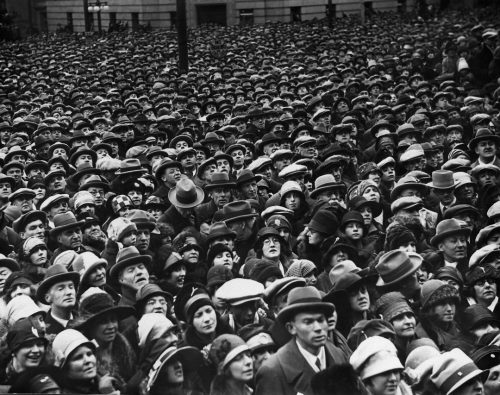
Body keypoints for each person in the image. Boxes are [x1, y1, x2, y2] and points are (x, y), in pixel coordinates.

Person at [255, 286, 349, 395]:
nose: (318, 328)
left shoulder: (338, 355)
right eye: (308, 322)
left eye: (321, 320)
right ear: (291, 328)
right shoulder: (273, 370)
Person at [36, 263, 79, 335]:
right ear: (48, 298)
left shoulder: (84, 320)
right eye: (61, 289)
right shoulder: (44, 332)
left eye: (71, 287)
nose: (68, 292)